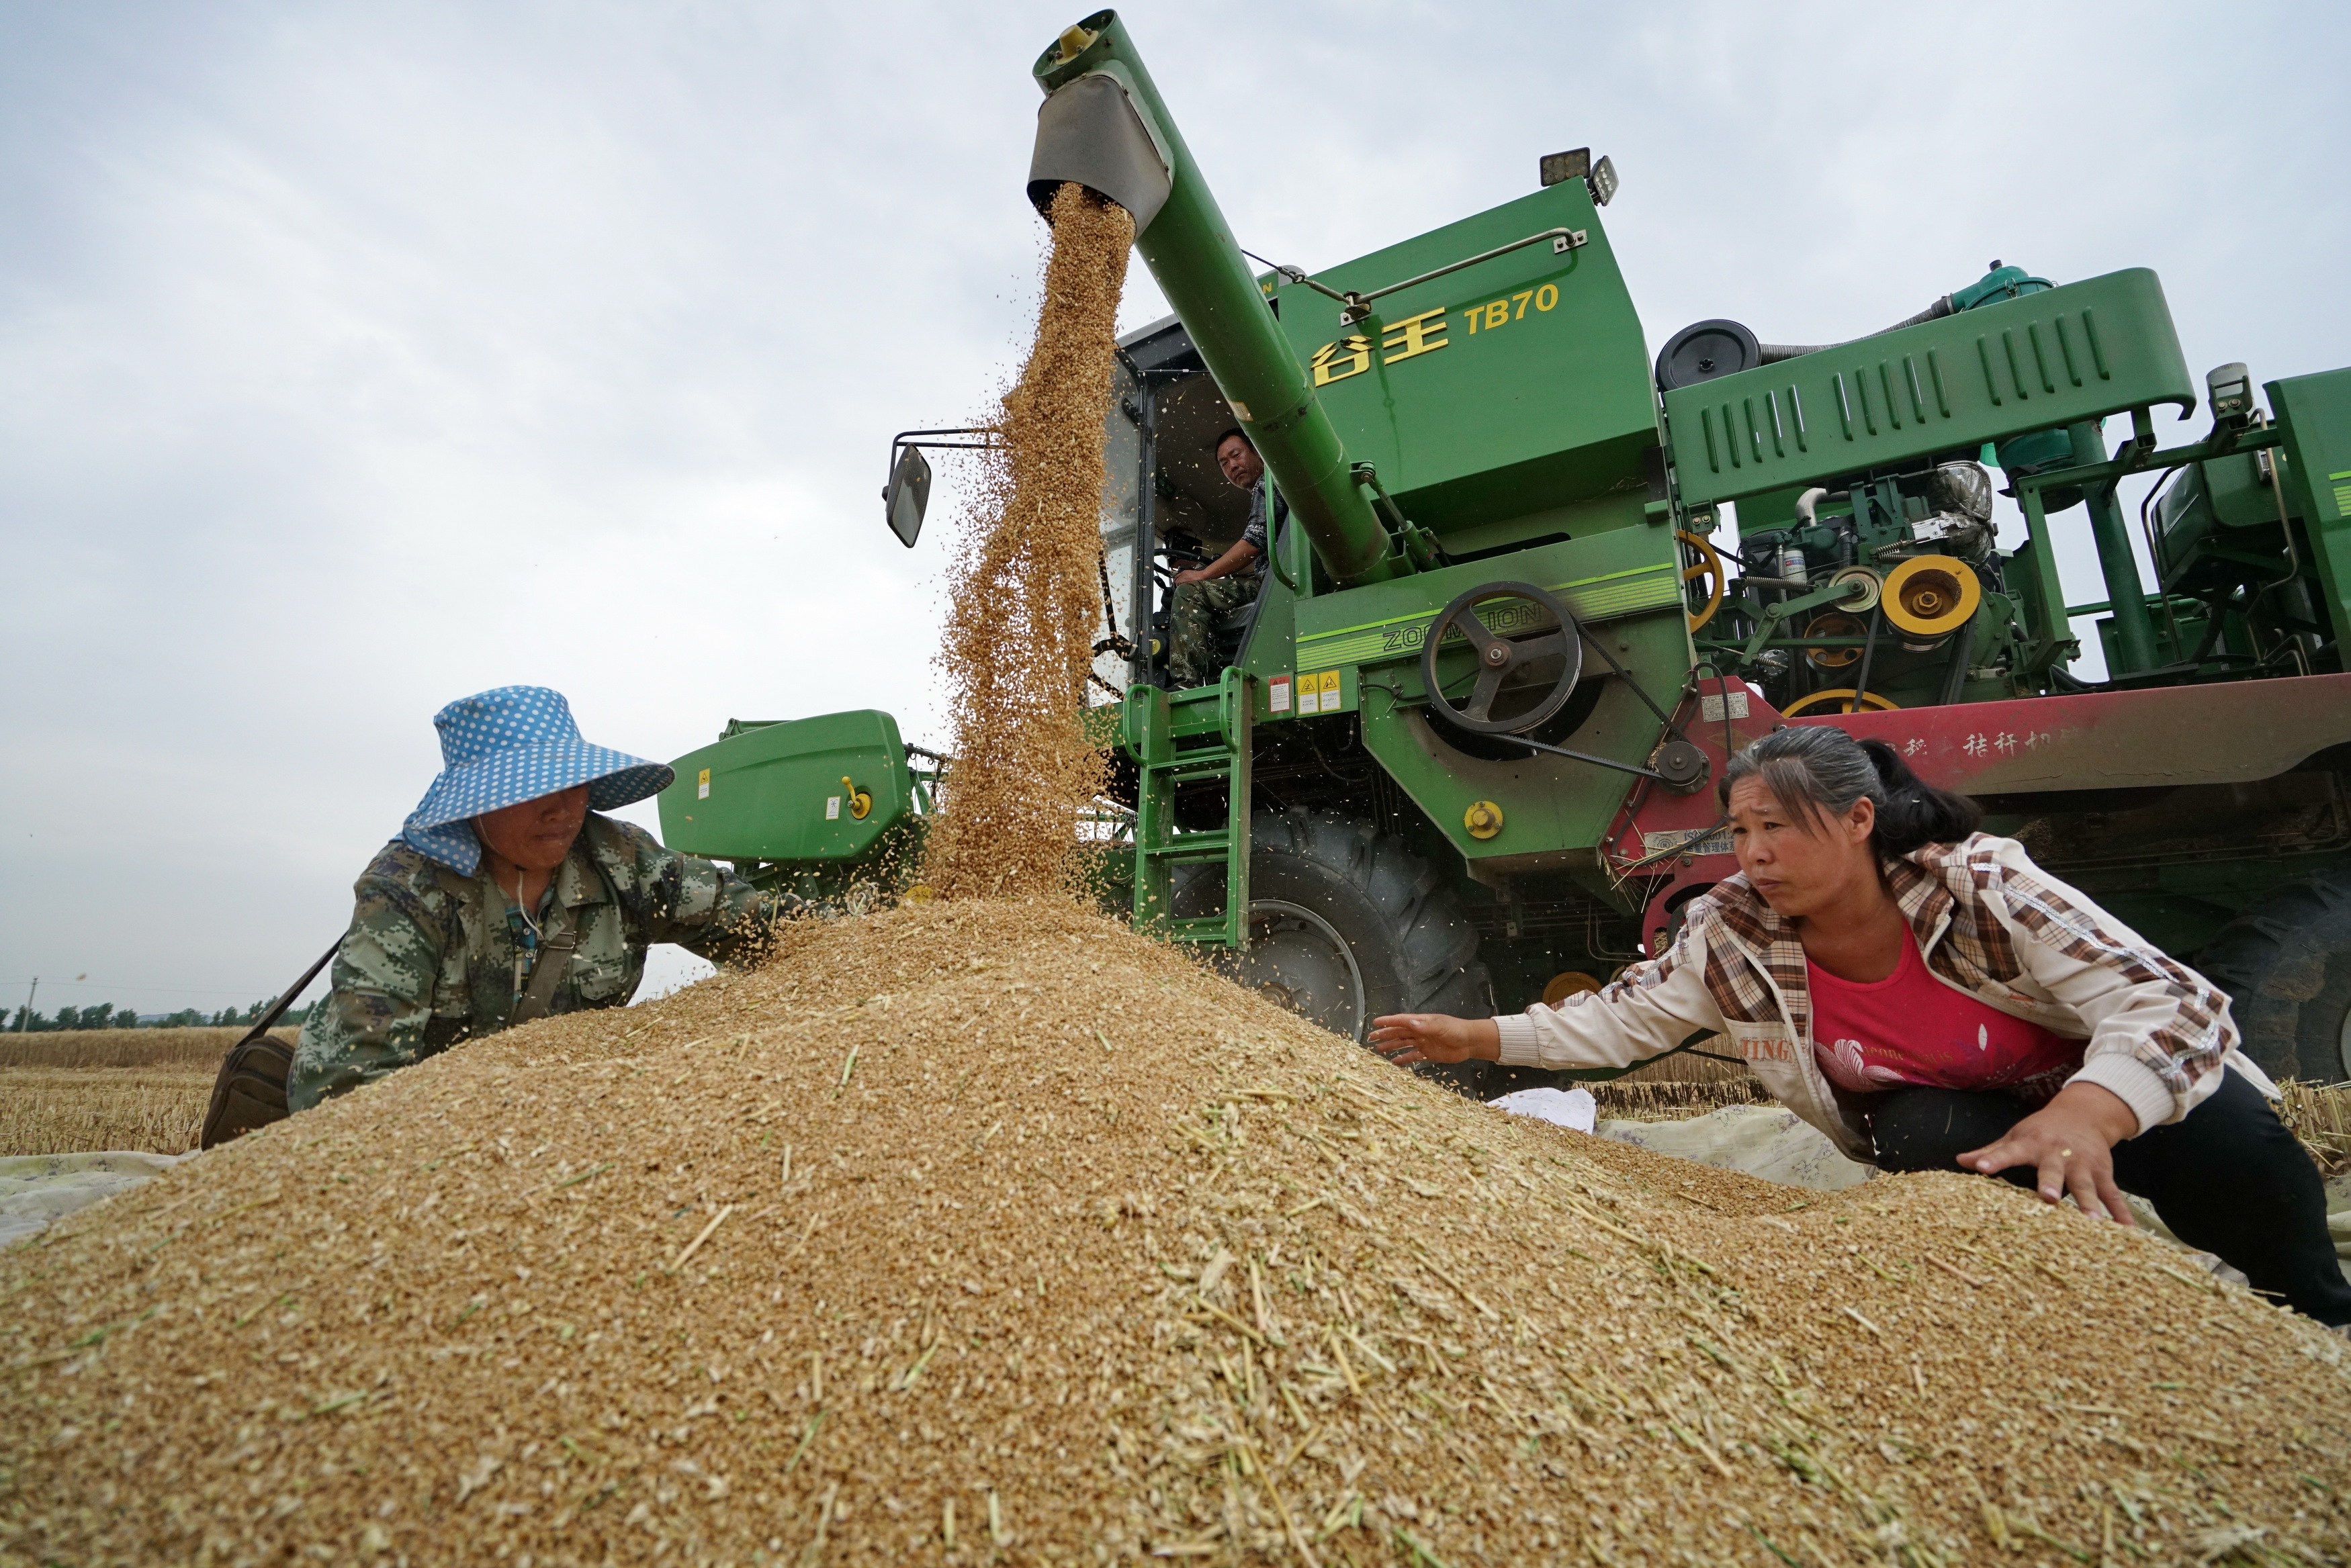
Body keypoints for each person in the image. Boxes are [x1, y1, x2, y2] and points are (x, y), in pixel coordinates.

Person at [1368, 725, 2351, 1327]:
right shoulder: (1735, 931)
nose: (1754, 853)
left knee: (2237, 1143)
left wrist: (2094, 1108)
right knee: (1916, 1132)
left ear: (1857, 820)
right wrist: (1478, 1038)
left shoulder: (1981, 886)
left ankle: (2310, 1307)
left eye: (1778, 827)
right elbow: (1630, 1017)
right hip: (1975, 1130)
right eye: (1741, 830)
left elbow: (2170, 1000)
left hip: (2105, 1105)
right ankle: (2068, 1309)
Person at [287, 686, 793, 1112]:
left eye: (571, 782)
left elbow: (766, 926)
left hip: (564, 1120)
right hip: (437, 1132)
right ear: (476, 803)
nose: (562, 808)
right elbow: (354, 1092)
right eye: (532, 788)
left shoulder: (623, 860)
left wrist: (862, 942)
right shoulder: (407, 891)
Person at [1166, 427, 1287, 689]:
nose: (1233, 465)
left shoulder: (1268, 482)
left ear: (1256, 451)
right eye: (1224, 463)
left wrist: (1202, 575)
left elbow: (1254, 543)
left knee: (1189, 593)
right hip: (1276, 582)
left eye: (1237, 455)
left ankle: (1190, 682)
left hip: (1273, 585)